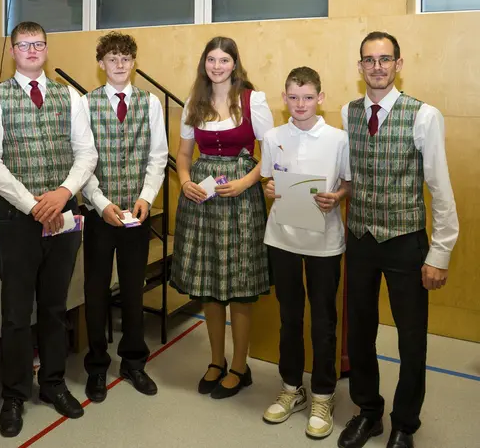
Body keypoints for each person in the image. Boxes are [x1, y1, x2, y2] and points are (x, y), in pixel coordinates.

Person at [0, 21, 97, 437]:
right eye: (24, 44)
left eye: (38, 44)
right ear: (12, 51)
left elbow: (86, 154)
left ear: (46, 49)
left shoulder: (70, 96)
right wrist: (34, 205)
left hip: (64, 214)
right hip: (17, 219)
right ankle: (14, 393)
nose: (32, 50)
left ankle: (53, 383)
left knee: (54, 306)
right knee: (15, 312)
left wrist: (62, 194)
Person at [337, 31, 459, 448]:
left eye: (385, 59)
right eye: (369, 60)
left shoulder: (424, 115)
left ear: (398, 64)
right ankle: (368, 412)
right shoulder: (348, 112)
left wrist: (440, 252)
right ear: (360, 66)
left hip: (406, 240)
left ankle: (405, 423)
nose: (377, 67)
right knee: (359, 331)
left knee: (411, 337)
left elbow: (439, 187)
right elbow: (349, 174)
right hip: (360, 237)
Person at [170, 36, 273, 399]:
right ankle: (216, 361)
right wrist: (185, 181)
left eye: (224, 60)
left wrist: (245, 182)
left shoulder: (253, 101)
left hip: (241, 198)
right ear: (205, 63)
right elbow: (184, 155)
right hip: (203, 199)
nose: (217, 66)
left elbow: (272, 153)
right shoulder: (194, 102)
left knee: (240, 285)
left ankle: (241, 366)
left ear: (234, 64)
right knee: (209, 283)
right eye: (211, 59)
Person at [260, 67, 351, 439]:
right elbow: (269, 179)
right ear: (285, 99)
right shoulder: (272, 136)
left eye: (308, 97)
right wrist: (268, 188)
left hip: (324, 243)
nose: (301, 104)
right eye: (294, 97)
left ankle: (324, 394)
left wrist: (338, 196)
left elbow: (348, 183)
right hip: (282, 238)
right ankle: (291, 388)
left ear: (320, 98)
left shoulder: (338, 139)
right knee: (290, 316)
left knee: (324, 320)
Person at [81, 31, 168, 402]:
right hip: (99, 213)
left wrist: (146, 197)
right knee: (96, 291)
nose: (119, 64)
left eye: (126, 58)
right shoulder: (84, 104)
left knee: (133, 290)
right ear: (101, 63)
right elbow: (81, 161)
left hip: (136, 212)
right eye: (112, 58)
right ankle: (97, 366)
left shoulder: (150, 104)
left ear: (134, 63)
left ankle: (134, 362)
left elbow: (157, 156)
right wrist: (101, 203)